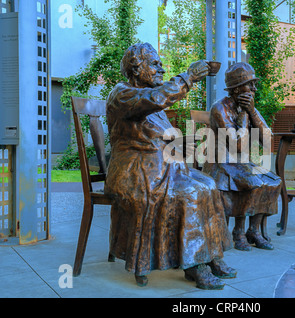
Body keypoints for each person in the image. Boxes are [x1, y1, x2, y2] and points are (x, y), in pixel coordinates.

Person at [104, 43, 235, 290]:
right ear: (135, 68)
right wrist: (190, 76)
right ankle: (196, 265)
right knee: (191, 194)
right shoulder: (123, 94)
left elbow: (161, 136)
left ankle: (211, 254)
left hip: (161, 166)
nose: (161, 68)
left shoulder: (149, 97)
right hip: (135, 170)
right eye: (154, 64)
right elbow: (156, 99)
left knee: (208, 184)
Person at [203, 62, 282, 251]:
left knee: (273, 182)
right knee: (252, 183)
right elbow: (237, 145)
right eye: (250, 84)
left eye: (254, 84)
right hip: (220, 165)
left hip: (240, 164)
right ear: (237, 89)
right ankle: (238, 232)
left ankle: (253, 230)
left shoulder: (248, 106)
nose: (254, 88)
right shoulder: (219, 109)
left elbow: (269, 141)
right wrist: (246, 116)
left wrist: (252, 112)